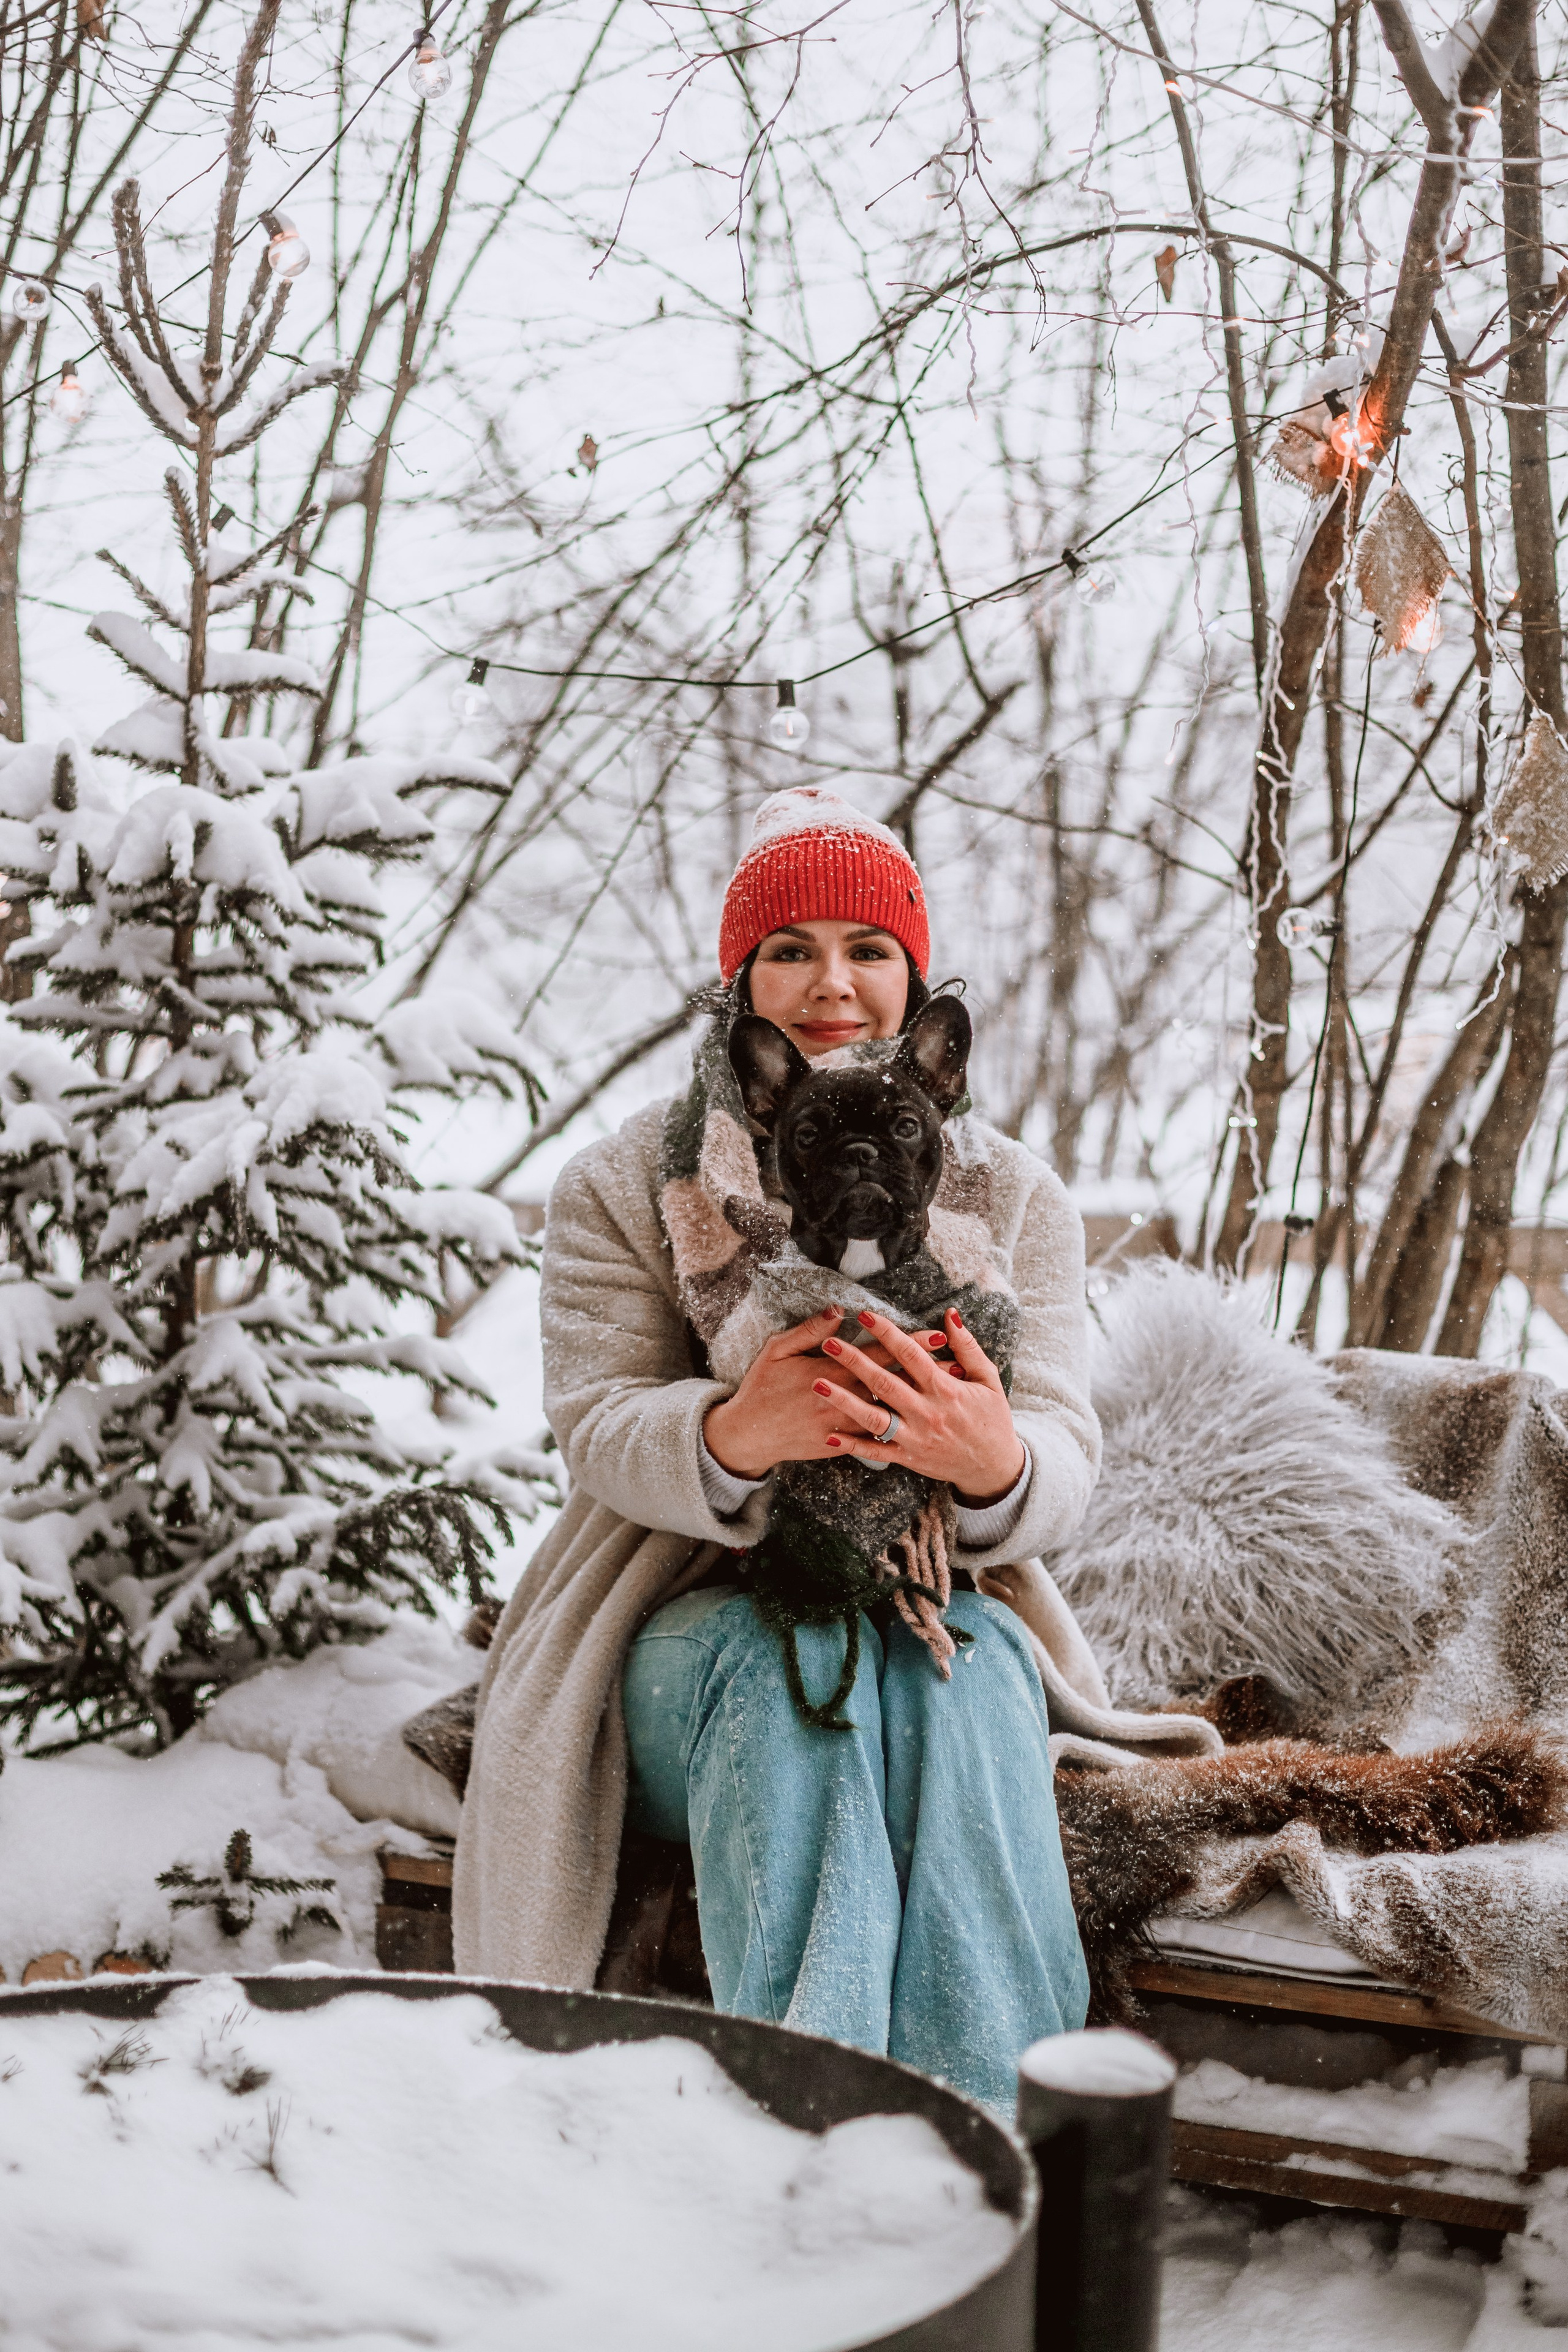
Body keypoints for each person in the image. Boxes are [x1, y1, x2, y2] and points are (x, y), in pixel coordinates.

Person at [454, 785, 1101, 2114]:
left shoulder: (1017, 1193)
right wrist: (732, 1433)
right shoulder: (625, 1179)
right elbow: (593, 1423)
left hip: (936, 1604)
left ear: (911, 977)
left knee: (973, 1685)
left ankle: (994, 2134)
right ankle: (815, 2121)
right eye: (791, 948)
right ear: (739, 977)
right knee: (790, 1676)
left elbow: (1063, 1442)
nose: (832, 982)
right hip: (678, 1613)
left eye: (867, 949)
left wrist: (994, 1462)